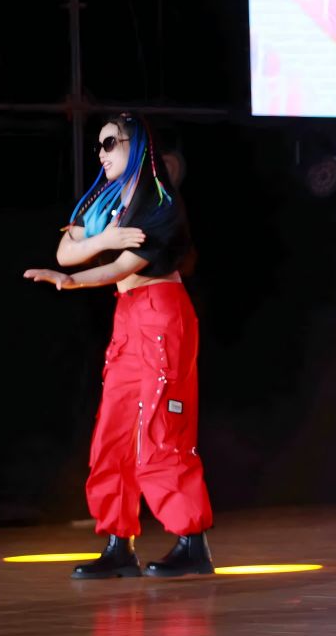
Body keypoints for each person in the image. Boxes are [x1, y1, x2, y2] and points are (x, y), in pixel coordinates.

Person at [25, 113, 214, 578]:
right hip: (128, 316)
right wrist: (104, 238)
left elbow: (118, 267)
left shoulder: (160, 201)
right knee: (114, 429)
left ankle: (191, 542)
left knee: (161, 429)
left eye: (111, 143)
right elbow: (66, 249)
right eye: (99, 145)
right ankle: (118, 543)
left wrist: (73, 279)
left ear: (138, 145)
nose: (102, 153)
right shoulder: (105, 200)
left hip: (161, 314)